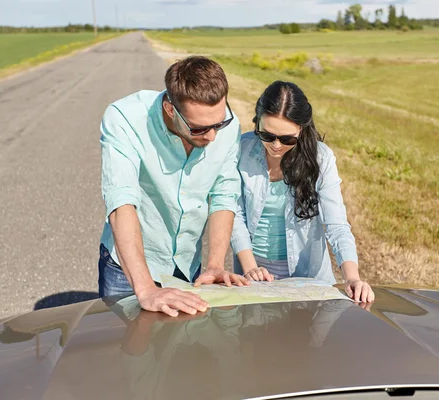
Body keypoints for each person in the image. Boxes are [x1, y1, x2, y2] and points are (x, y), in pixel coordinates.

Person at [98, 56, 248, 317]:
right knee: (131, 350)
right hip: (130, 269)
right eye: (200, 129)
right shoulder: (124, 118)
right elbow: (121, 202)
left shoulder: (229, 126)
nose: (213, 136)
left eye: (219, 124)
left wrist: (213, 265)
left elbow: (224, 195)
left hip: (189, 266)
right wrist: (145, 289)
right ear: (170, 109)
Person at [231, 81, 374, 303]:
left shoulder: (321, 158)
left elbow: (336, 225)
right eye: (267, 135)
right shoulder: (242, 148)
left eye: (287, 139)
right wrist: (251, 268)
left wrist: (352, 278)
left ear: (302, 129)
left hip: (307, 278)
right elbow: (234, 213)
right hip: (252, 274)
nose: (276, 145)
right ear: (256, 121)